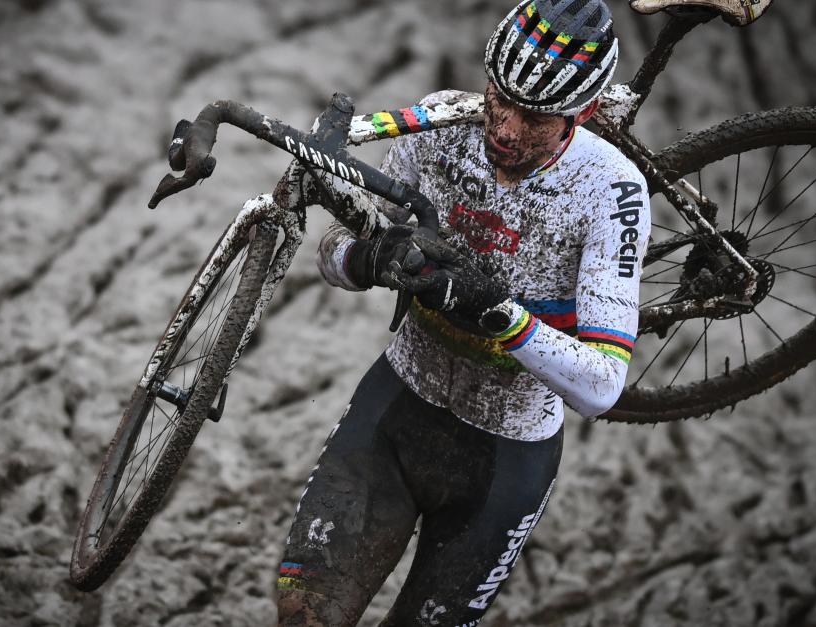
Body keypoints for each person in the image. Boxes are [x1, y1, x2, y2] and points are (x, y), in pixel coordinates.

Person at [277, 0, 649, 624]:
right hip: (394, 409)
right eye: (499, 99)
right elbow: (333, 258)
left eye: (533, 117)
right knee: (302, 616)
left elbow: (603, 385)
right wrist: (367, 261)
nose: (504, 128)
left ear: (580, 116)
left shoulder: (611, 189)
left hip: (506, 460)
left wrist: (499, 313)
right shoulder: (441, 125)